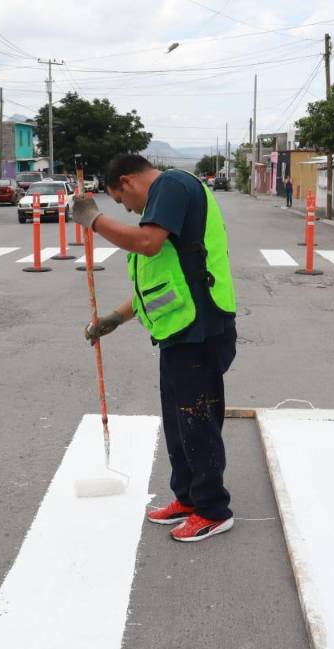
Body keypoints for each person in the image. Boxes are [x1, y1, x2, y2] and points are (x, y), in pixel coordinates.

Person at [71, 154, 237, 543]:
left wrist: (94, 220)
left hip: (202, 328)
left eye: (121, 201)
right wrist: (114, 317)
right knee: (179, 422)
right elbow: (161, 280)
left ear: (127, 182)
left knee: (198, 421)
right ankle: (188, 497)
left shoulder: (172, 186)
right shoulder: (165, 203)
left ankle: (213, 509)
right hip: (179, 330)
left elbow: (147, 245)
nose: (128, 209)